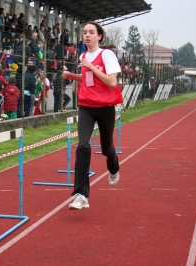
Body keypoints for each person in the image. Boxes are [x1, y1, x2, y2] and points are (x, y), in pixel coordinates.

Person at [62, 21, 123, 210]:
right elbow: (89, 79)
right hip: (86, 105)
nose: (86, 35)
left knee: (107, 148)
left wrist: (92, 66)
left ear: (99, 36)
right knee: (82, 146)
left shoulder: (107, 55)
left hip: (105, 107)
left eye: (91, 32)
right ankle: (81, 194)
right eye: (84, 32)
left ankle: (113, 168)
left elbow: (112, 82)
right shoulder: (84, 56)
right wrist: (74, 76)